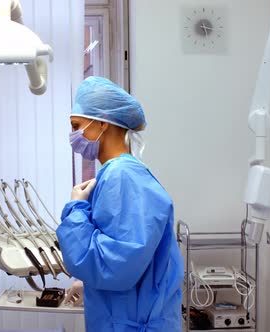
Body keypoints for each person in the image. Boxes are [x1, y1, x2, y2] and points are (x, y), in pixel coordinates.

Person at [56, 76, 184, 332]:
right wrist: (90, 284)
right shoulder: (118, 174)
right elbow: (131, 257)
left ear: (102, 123)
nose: (73, 135)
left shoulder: (123, 177)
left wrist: (75, 211)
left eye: (77, 125)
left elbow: (117, 265)